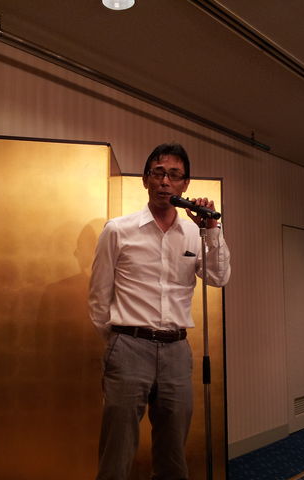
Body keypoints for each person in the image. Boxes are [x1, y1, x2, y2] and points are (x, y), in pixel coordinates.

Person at [88, 143, 231, 480]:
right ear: (145, 179)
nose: (165, 181)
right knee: (117, 449)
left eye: (175, 175)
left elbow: (218, 277)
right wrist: (118, 340)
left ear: (185, 184)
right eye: (158, 173)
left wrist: (212, 230)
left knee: (172, 451)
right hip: (128, 347)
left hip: (176, 351)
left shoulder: (197, 234)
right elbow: (98, 297)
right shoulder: (118, 230)